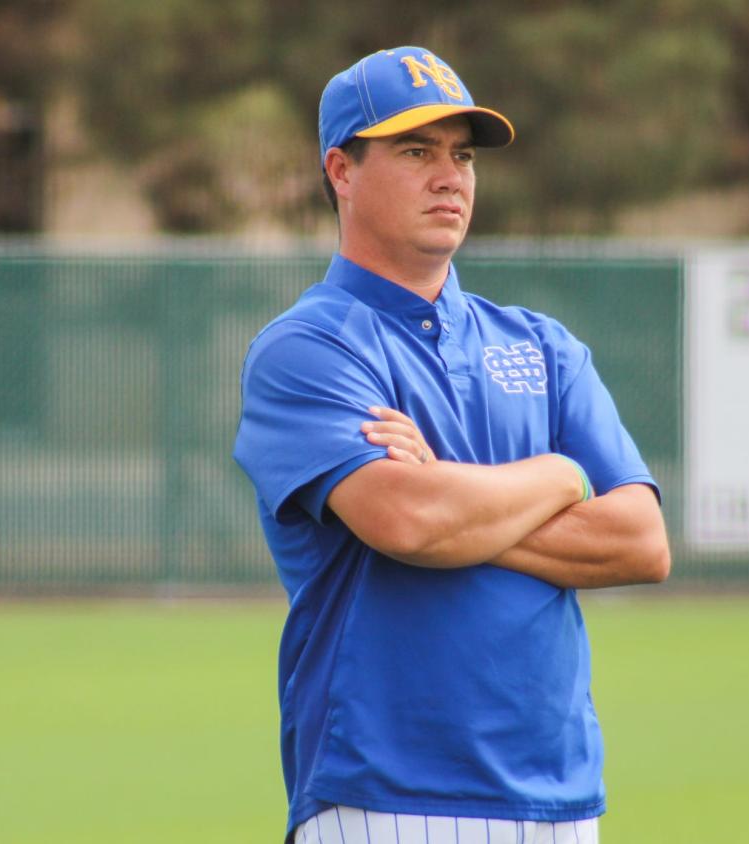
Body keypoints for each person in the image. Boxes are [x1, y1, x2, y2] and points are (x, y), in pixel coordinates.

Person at [233, 46, 670, 844]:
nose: (451, 176)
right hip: (385, 797)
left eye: (462, 155)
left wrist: (455, 491)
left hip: (563, 798)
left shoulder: (542, 345)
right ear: (341, 169)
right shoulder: (308, 348)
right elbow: (411, 524)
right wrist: (562, 472)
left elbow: (641, 542)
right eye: (415, 151)